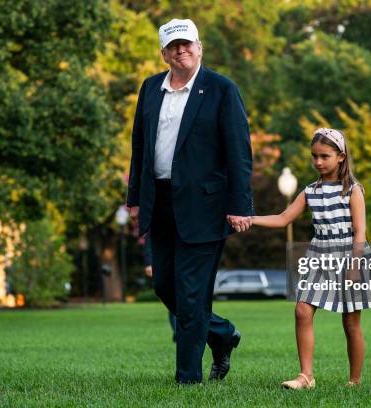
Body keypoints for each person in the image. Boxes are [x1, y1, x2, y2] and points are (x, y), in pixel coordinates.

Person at [126, 18, 254, 385]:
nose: (181, 50)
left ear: (199, 47)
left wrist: (241, 204)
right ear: (164, 53)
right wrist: (135, 198)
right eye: (173, 46)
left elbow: (238, 151)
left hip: (206, 207)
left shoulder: (221, 89)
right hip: (159, 202)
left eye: (187, 44)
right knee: (165, 286)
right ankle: (222, 333)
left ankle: (188, 378)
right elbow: (139, 147)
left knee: (192, 292)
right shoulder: (151, 88)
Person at [251, 128, 371, 389]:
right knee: (302, 310)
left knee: (351, 321)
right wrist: (250, 219)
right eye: (314, 156)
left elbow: (360, 231)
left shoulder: (353, 190)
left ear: (341, 156)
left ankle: (354, 380)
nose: (318, 162)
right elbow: (283, 219)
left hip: (350, 255)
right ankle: (306, 376)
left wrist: (355, 265)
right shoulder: (310, 191)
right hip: (319, 256)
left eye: (324, 156)